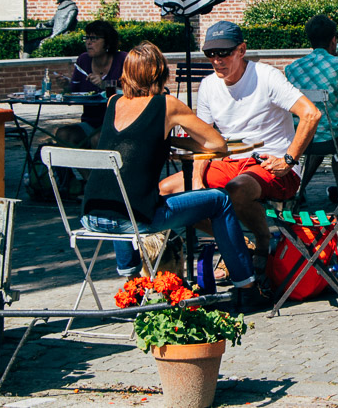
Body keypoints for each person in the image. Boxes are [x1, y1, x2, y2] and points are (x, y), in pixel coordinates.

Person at [79, 43, 259, 294]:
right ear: (160, 73)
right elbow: (218, 144)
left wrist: (162, 138)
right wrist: (168, 137)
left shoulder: (113, 102)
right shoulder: (166, 104)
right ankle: (247, 285)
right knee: (220, 201)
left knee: (120, 194)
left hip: (91, 216)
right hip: (137, 220)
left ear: (126, 73)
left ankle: (132, 282)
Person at [159, 21, 320, 281]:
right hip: (230, 162)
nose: (217, 60)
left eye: (224, 52)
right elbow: (203, 140)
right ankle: (237, 242)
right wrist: (198, 180)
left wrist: (289, 160)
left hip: (272, 164)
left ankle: (262, 240)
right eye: (211, 54)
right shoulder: (209, 85)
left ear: (242, 50)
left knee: (235, 189)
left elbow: (311, 114)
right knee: (167, 192)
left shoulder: (266, 76)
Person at [284, 14, 338, 206]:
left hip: (302, 140)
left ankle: (298, 190)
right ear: (334, 40)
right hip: (332, 139)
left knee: (321, 131)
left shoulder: (292, 68)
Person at [55, 20, 127, 149]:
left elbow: (134, 92)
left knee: (98, 139)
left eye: (93, 38)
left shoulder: (123, 60)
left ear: (107, 42)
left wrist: (105, 85)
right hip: (90, 122)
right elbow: (74, 91)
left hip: (118, 123)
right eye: (87, 38)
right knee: (63, 135)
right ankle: (89, 170)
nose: (88, 42)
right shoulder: (83, 60)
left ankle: (103, 170)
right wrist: (66, 85)